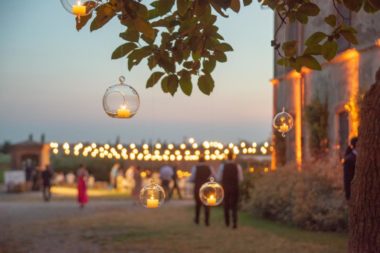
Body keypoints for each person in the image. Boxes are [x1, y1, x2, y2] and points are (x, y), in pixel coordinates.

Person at [217, 152, 244, 229]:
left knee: (226, 204)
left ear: (226, 157)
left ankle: (227, 222)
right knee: (234, 205)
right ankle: (234, 222)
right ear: (233, 157)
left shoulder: (222, 166)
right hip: (234, 187)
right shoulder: (238, 166)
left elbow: (219, 178)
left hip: (225, 187)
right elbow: (241, 179)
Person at [188, 156, 214, 226]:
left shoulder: (195, 168)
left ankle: (197, 220)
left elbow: (191, 178)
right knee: (207, 205)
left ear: (198, 161)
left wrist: (193, 180)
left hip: (198, 187)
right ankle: (207, 221)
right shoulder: (209, 167)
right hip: (206, 188)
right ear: (205, 161)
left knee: (198, 204)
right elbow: (213, 177)